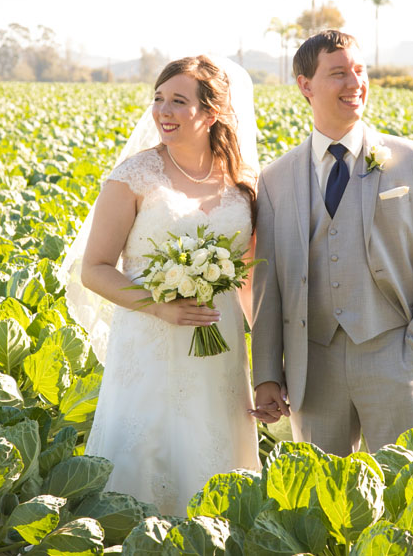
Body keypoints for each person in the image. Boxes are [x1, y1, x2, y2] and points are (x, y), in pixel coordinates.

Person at [250, 30, 413, 456]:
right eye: (338, 73)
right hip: (312, 368)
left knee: (412, 488)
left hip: (395, 354)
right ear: (305, 86)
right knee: (324, 501)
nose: (355, 84)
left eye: (359, 71)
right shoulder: (275, 178)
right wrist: (266, 376)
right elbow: (267, 287)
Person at [59, 55, 261, 516]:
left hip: (219, 350)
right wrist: (159, 307)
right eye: (158, 99)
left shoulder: (243, 182)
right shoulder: (134, 175)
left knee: (214, 460)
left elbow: (250, 280)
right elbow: (95, 269)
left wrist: (270, 367)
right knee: (143, 461)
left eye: (178, 101)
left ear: (212, 113)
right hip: (148, 345)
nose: (162, 112)